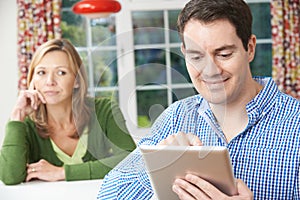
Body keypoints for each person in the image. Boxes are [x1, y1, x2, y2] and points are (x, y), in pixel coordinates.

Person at [97, 0, 300, 199]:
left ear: (250, 48)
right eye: (196, 57)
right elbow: (107, 194)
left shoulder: (295, 123)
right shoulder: (174, 117)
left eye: (224, 54)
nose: (210, 70)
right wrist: (158, 164)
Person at [0, 38, 136, 185]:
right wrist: (16, 116)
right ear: (32, 80)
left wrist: (62, 172)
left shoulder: (104, 110)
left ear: (77, 80)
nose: (50, 81)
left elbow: (131, 162)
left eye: (61, 72)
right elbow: (10, 177)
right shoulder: (24, 123)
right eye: (41, 72)